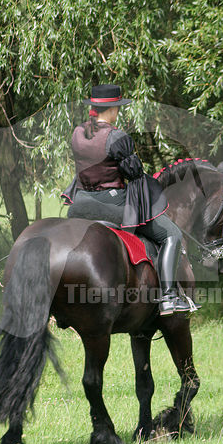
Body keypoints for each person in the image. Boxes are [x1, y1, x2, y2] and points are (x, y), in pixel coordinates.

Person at [61, 84, 190, 316]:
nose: (118, 113)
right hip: (110, 207)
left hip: (79, 205)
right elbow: (135, 175)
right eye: (117, 108)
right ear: (112, 110)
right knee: (172, 234)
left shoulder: (78, 133)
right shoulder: (117, 137)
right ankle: (170, 297)